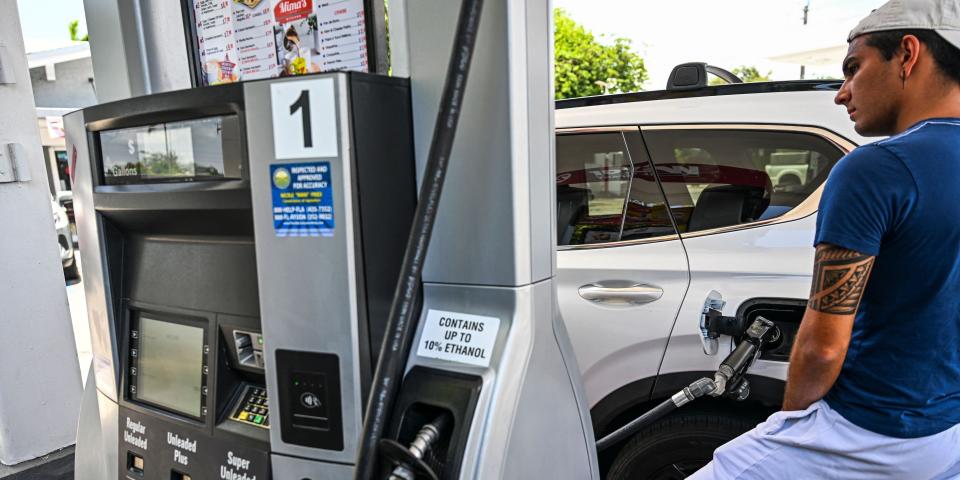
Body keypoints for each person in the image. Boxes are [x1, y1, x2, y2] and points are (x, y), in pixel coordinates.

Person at [691, 1, 960, 478]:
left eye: (853, 69)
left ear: (908, 55)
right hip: (945, 433)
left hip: (865, 433)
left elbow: (824, 346)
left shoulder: (876, 168)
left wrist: (791, 424)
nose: (842, 93)